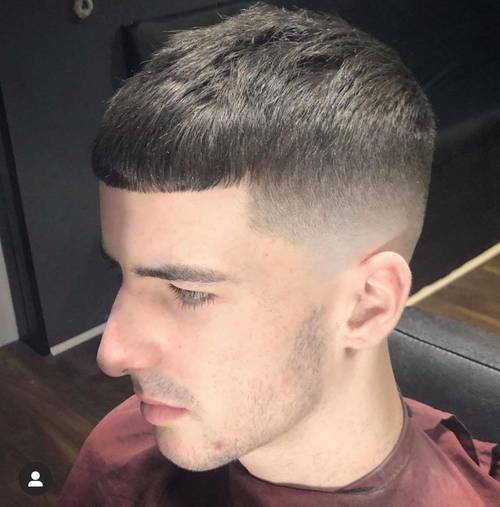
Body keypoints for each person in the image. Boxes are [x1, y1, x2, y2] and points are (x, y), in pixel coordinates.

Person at [57, 2, 500, 505]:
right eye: (122, 275)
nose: (112, 353)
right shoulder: (120, 453)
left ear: (367, 304)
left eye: (189, 291)